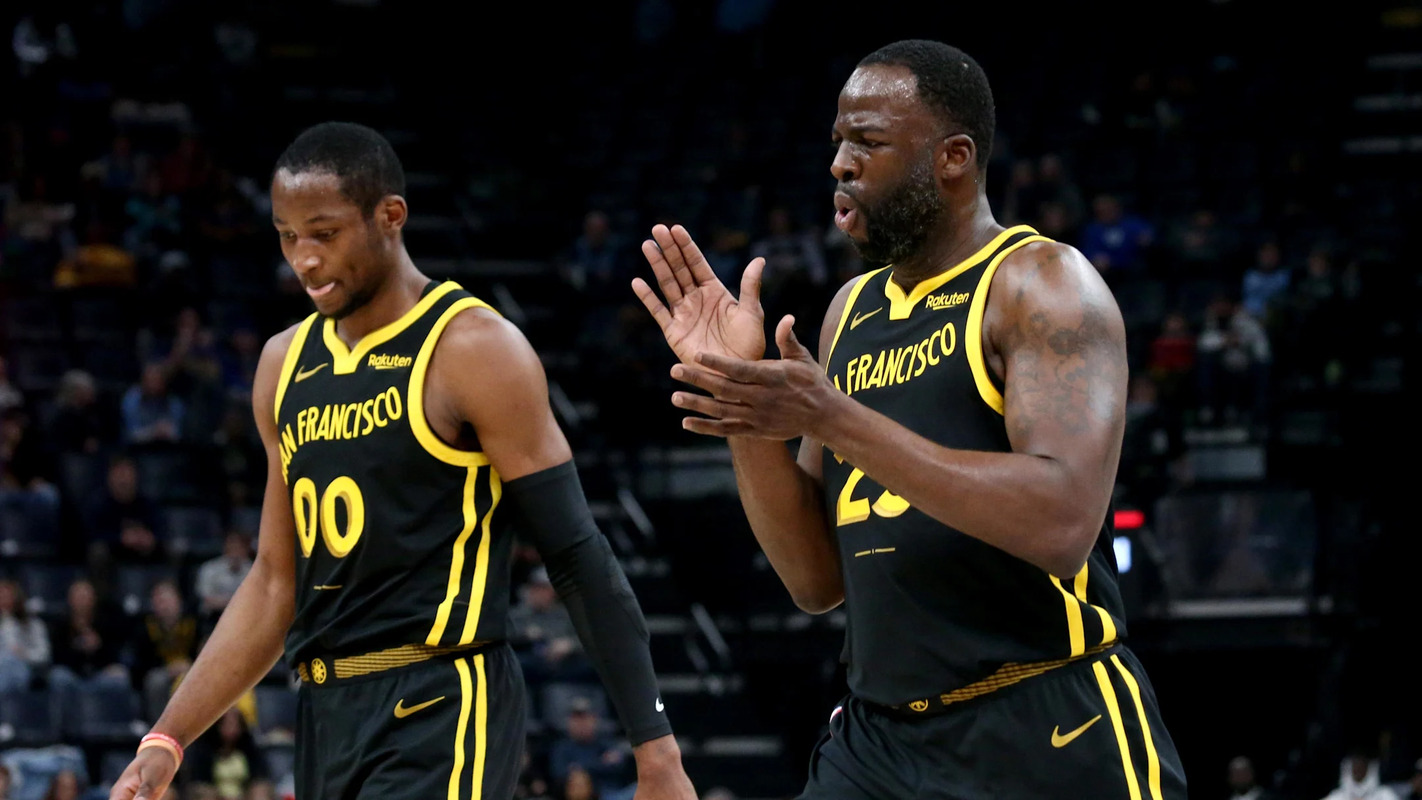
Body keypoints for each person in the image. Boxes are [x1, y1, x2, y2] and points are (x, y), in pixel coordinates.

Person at [632, 40, 1187, 799]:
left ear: (953, 157)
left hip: (1044, 720)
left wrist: (830, 416)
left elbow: (1062, 523)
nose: (840, 164)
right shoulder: (851, 311)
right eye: (838, 142)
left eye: (868, 141)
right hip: (878, 742)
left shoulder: (1041, 285)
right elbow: (814, 580)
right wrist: (744, 402)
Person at [108, 122, 694, 800]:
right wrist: (167, 738)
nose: (304, 259)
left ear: (390, 216)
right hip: (324, 710)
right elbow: (274, 581)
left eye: (324, 234)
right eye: (287, 236)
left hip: (442, 697)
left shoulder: (473, 348)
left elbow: (575, 551)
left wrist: (656, 749)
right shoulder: (282, 364)